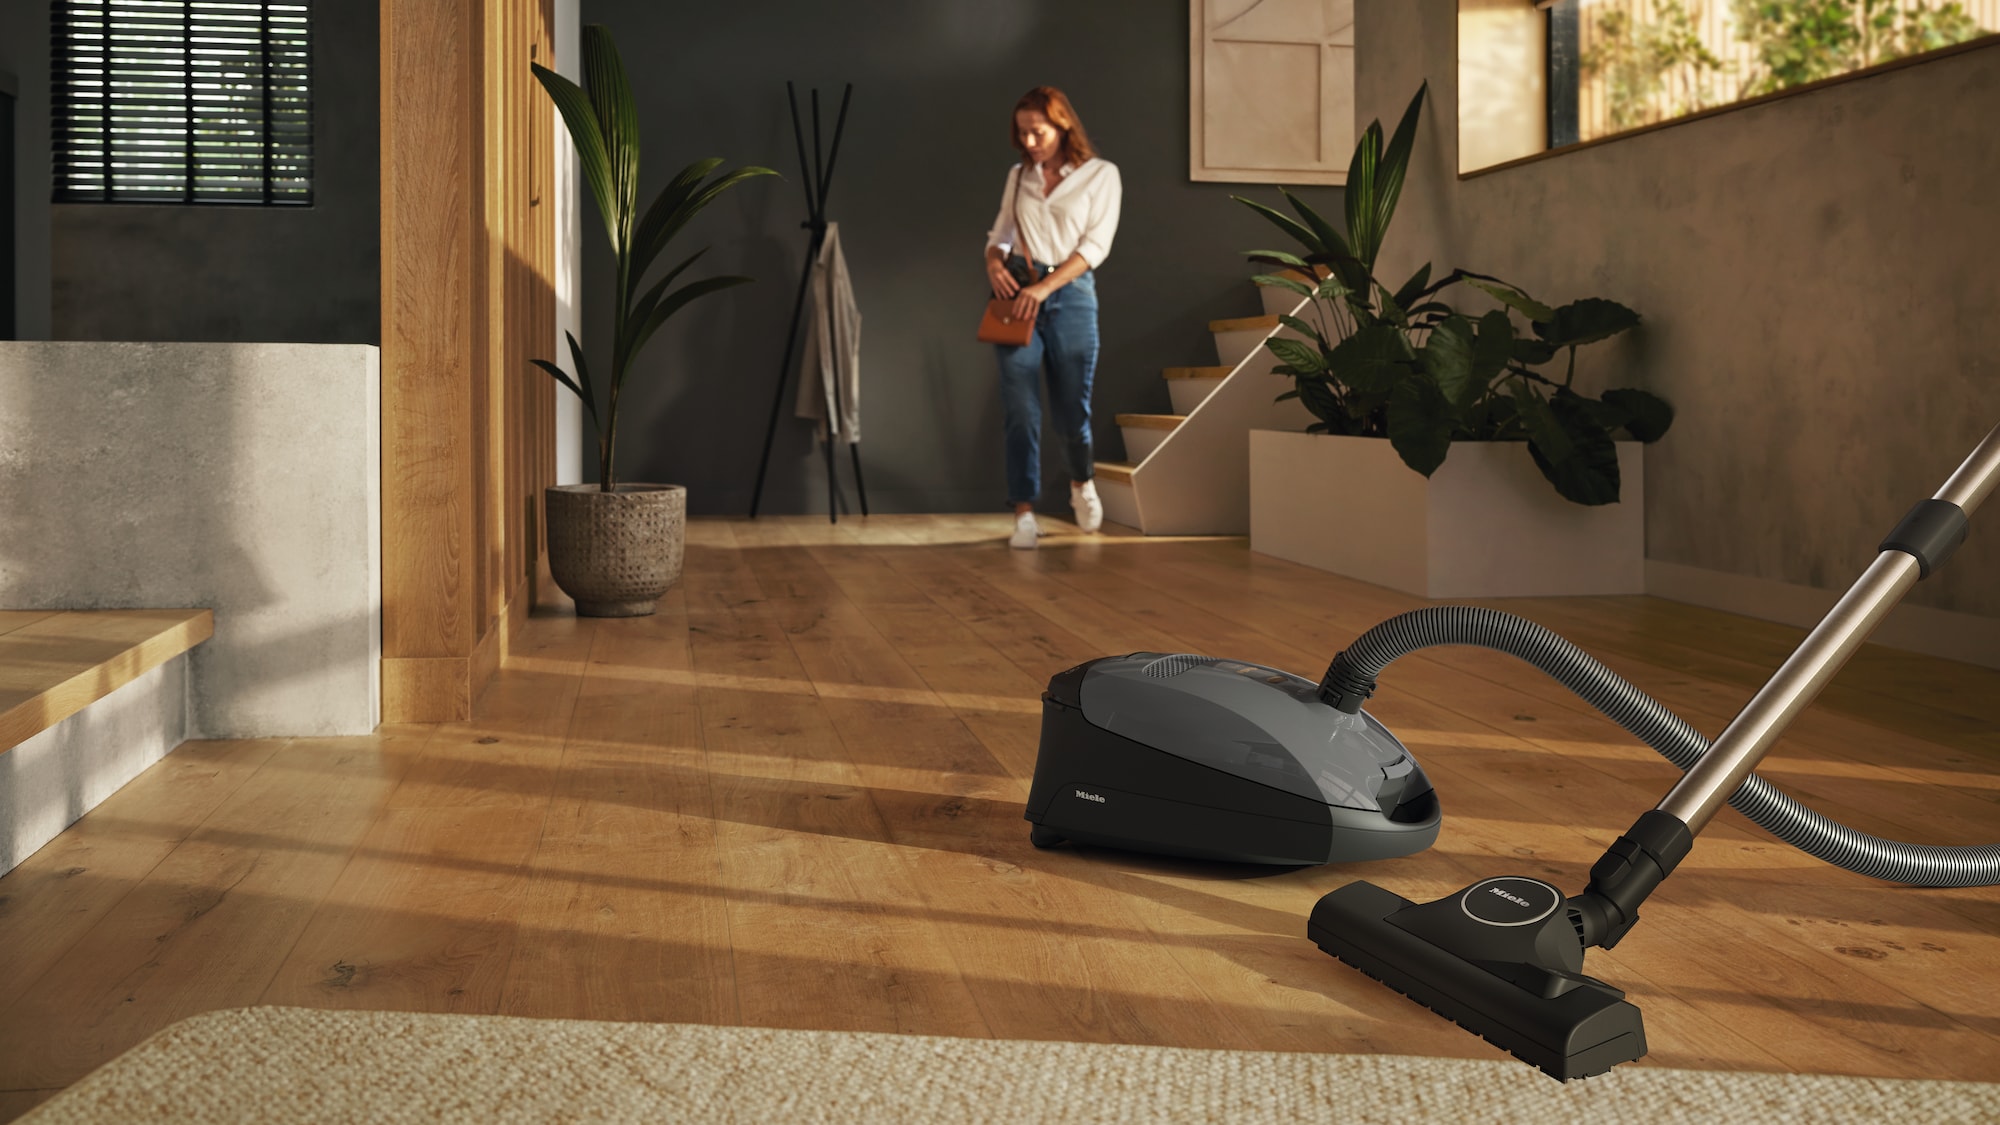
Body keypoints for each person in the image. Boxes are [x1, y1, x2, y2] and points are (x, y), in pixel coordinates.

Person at [984, 86, 1122, 549]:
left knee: (1070, 413)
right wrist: (994, 263)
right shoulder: (1018, 175)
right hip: (1018, 298)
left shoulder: (1101, 176)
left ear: (1062, 126)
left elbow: (1095, 247)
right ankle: (1024, 512)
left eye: (1037, 132)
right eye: (1022, 133)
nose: (1028, 142)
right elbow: (1000, 233)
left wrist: (1046, 286)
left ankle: (1082, 481)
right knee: (1020, 408)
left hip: (1072, 298)